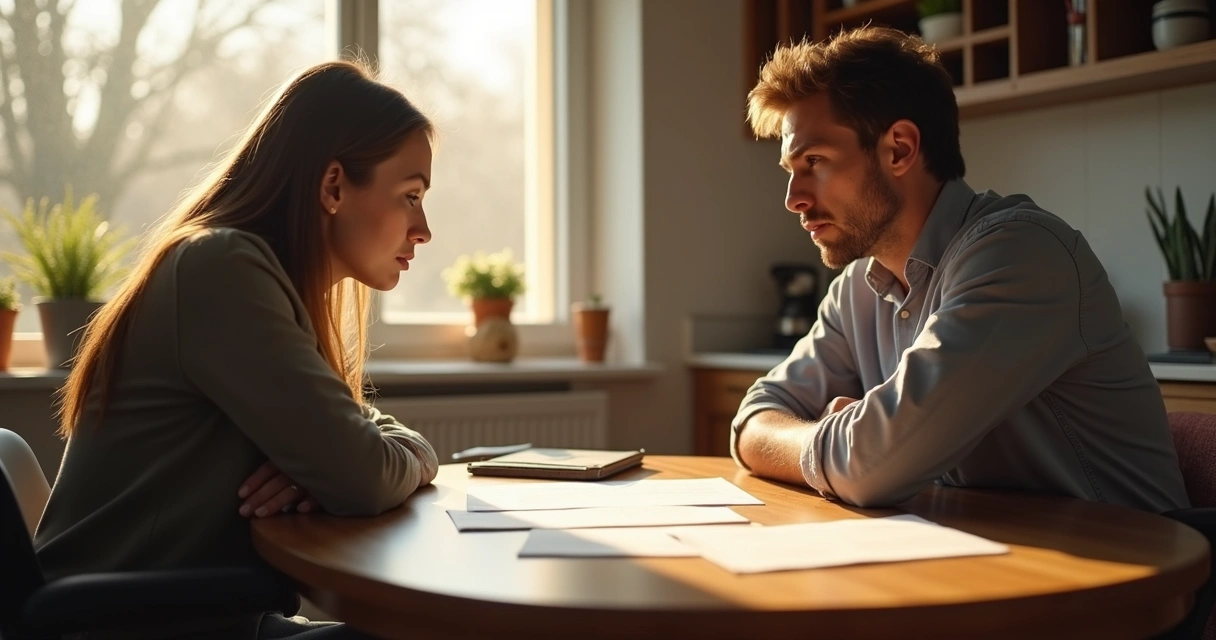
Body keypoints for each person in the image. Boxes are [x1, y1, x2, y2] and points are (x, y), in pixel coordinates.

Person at [34, 60, 440, 638]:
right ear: (332, 187)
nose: (423, 228)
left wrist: (348, 458)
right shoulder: (222, 270)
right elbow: (362, 475)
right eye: (410, 195)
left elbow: (357, 438)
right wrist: (380, 460)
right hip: (125, 626)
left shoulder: (257, 279)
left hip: (200, 619)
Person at [732, 26, 1189, 513]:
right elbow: (752, 421)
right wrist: (840, 440)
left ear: (900, 149)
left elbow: (869, 468)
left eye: (815, 161)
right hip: (996, 559)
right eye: (791, 170)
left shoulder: (1020, 255)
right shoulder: (857, 291)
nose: (793, 199)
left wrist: (841, 439)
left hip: (1135, 572)